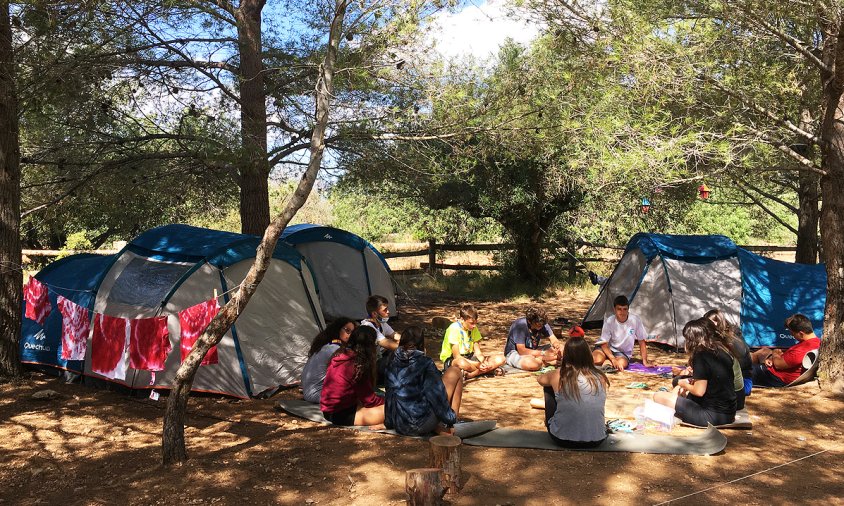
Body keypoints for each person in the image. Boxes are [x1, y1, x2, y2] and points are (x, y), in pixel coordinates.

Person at [653, 318, 736, 426]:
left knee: (658, 396)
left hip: (711, 416)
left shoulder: (701, 355)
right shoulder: (722, 350)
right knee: (681, 391)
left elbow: (699, 391)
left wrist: (683, 384)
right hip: (729, 412)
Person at [385, 326, 463, 436]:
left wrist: (389, 422)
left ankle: (439, 426)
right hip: (419, 424)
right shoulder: (425, 362)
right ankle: (454, 425)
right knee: (455, 371)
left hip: (400, 424)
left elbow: (390, 394)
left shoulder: (391, 360)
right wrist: (450, 418)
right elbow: (436, 395)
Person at [536, 334, 609, 448]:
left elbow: (540, 380)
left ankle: (553, 422)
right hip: (597, 439)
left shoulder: (559, 375)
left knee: (548, 386)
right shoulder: (601, 377)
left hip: (562, 439)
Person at [320, 326, 385, 427]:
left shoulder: (340, 355)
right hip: (342, 414)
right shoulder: (358, 365)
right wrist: (387, 400)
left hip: (329, 411)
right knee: (394, 410)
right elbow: (369, 400)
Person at [750, 313, 821, 387]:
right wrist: (772, 357)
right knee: (763, 351)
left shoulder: (802, 349)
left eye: (792, 333)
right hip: (776, 369)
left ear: (801, 333)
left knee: (745, 369)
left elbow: (778, 365)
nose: (792, 335)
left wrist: (774, 353)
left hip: (774, 377)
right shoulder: (816, 342)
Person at [438, 304, 506, 378]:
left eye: (475, 323)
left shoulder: (473, 329)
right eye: (471, 323)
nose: (474, 326)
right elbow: (457, 356)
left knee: (501, 359)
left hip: (470, 359)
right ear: (462, 319)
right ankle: (489, 371)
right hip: (454, 360)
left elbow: (478, 353)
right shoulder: (454, 328)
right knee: (462, 363)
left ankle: (471, 374)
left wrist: (484, 362)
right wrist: (478, 365)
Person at [300, 318, 357, 403]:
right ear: (337, 329)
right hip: (318, 393)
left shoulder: (327, 345)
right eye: (347, 330)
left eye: (352, 333)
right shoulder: (334, 349)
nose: (350, 335)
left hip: (311, 391)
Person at [704, 309, 752, 409]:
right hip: (732, 382)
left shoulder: (733, 341)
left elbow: (737, 367)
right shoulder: (723, 338)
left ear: (718, 323)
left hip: (743, 383)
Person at [592, 295, 655, 370]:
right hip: (607, 349)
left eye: (625, 309)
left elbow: (641, 341)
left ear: (628, 309)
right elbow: (604, 343)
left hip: (622, 353)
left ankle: (607, 362)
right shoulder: (609, 321)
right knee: (596, 360)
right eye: (619, 309)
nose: (622, 312)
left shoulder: (635, 320)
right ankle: (607, 361)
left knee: (622, 364)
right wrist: (613, 359)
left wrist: (645, 361)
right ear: (615, 309)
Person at [504, 306, 563, 371]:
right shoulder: (520, 325)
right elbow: (522, 351)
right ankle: (547, 362)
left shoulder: (542, 323)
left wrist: (556, 345)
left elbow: (553, 339)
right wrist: (543, 353)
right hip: (515, 353)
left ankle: (544, 360)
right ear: (529, 321)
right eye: (538, 325)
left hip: (534, 351)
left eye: (542, 325)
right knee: (532, 364)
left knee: (562, 348)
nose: (541, 326)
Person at [360, 295, 399, 385]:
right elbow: (387, 343)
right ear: (374, 314)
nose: (388, 312)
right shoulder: (368, 327)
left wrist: (410, 342)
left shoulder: (381, 323)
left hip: (378, 360)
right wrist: (410, 347)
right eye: (385, 310)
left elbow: (395, 335)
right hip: (370, 368)